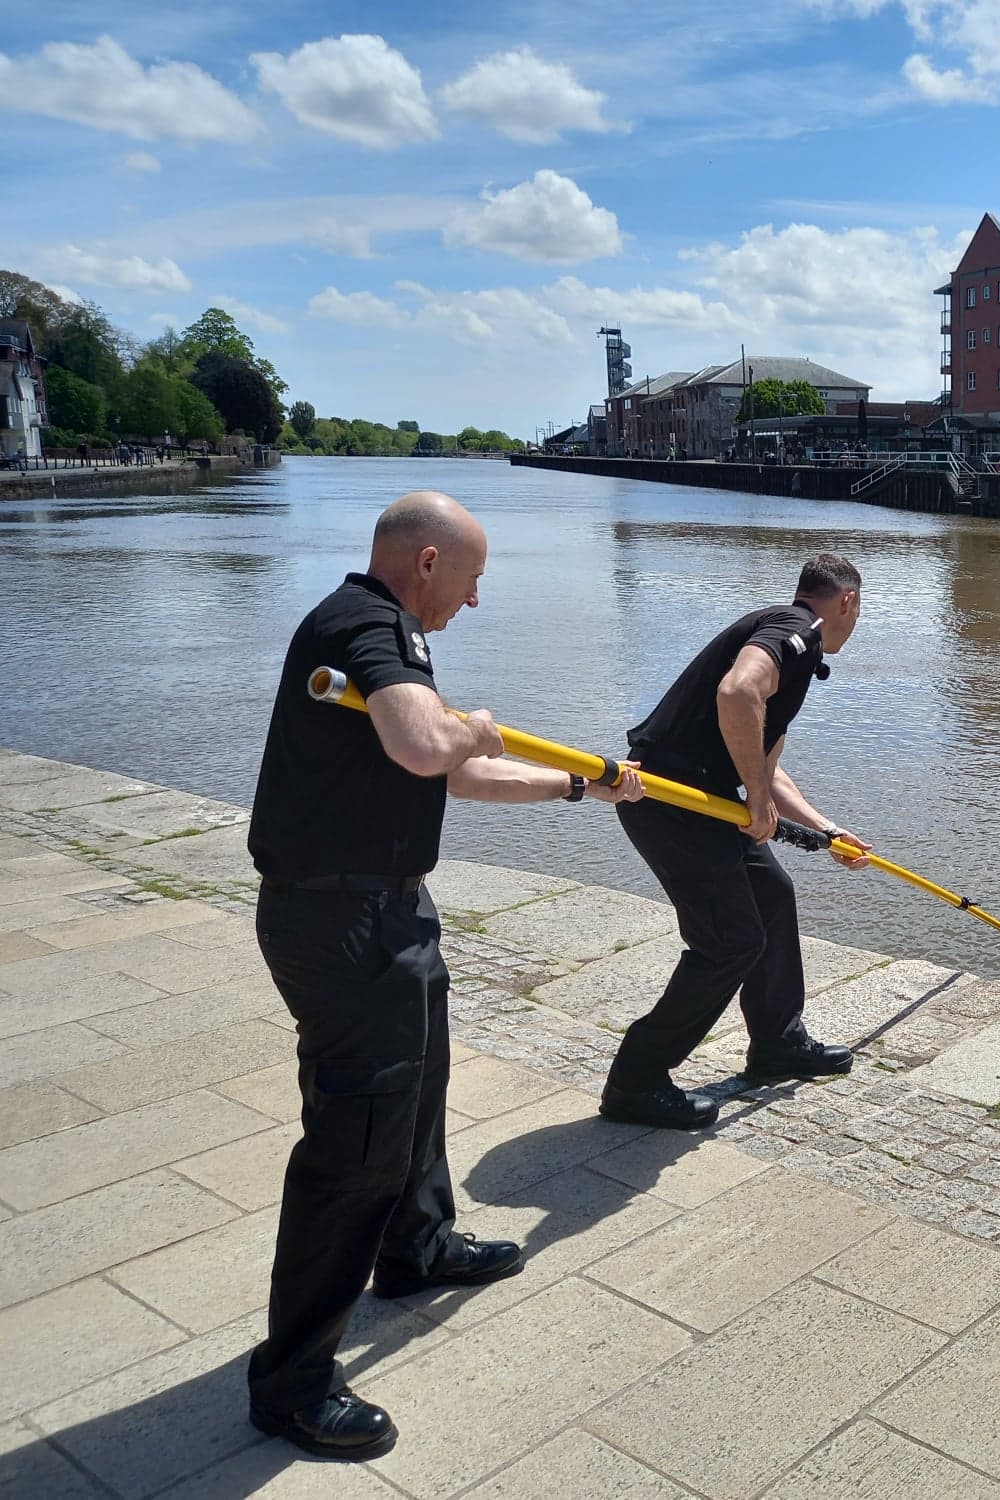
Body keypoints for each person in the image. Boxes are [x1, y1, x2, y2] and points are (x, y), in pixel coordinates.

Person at [245, 490, 642, 1459]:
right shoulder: (366, 622)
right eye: (470, 581)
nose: (472, 603)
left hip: (384, 907)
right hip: (340, 919)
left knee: (419, 1085)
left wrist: (580, 784)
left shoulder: (376, 636)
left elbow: (453, 773)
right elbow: (432, 746)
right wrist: (474, 725)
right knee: (358, 1143)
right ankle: (292, 1381)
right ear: (427, 561)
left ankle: (416, 1248)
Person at [600, 553, 872, 1130]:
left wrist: (823, 828)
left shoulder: (791, 641)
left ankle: (777, 1043)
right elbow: (736, 694)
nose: (855, 623)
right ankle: (636, 1080)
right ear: (846, 601)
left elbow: (766, 763)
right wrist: (753, 795)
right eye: (859, 611)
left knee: (772, 895)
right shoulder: (798, 632)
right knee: (730, 942)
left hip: (713, 805)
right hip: (675, 804)